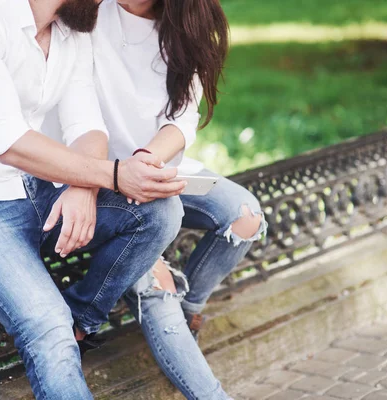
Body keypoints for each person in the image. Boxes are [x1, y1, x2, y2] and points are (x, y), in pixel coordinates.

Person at [0, 0, 189, 398]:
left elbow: (87, 126)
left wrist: (84, 186)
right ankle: (61, 326)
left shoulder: (69, 30)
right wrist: (111, 175)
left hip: (38, 190)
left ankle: (81, 316)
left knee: (159, 210)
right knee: (48, 325)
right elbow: (9, 142)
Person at [43, 0, 268, 398]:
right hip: (93, 174)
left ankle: (187, 307)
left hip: (155, 167)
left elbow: (181, 122)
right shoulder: (86, 13)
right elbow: (75, 115)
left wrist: (146, 160)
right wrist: (115, 177)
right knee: (156, 285)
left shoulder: (186, 24)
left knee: (245, 215)